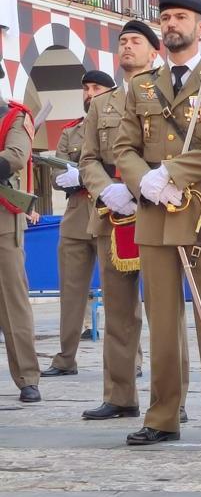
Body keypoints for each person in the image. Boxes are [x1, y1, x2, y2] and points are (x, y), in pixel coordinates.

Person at [114, 0, 201, 449]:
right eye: (166, 17)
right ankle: (163, 415)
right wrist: (144, 181)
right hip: (153, 214)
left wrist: (172, 172)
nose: (172, 24)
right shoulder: (143, 86)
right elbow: (123, 147)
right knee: (162, 320)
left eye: (182, 17)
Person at [79, 20, 189, 421]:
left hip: (159, 209)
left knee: (166, 311)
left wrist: (140, 185)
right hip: (112, 215)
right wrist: (104, 189)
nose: (126, 47)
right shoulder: (101, 104)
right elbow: (88, 158)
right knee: (119, 312)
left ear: (153, 52)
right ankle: (120, 395)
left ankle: (172, 399)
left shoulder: (167, 95)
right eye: (122, 41)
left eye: (136, 41)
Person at [41, 70, 115, 378]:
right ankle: (65, 357)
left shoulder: (122, 126)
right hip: (74, 215)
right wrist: (65, 178)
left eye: (96, 87)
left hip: (109, 213)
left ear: (110, 93)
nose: (89, 93)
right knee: (71, 291)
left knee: (117, 294)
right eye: (86, 88)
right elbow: (58, 175)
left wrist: (83, 175)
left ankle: (129, 359)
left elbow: (124, 164)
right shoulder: (71, 132)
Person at [0, 78, 41, 403]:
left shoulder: (13, 116)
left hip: (3, 220)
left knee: (12, 304)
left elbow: (14, 156)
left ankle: (27, 377)